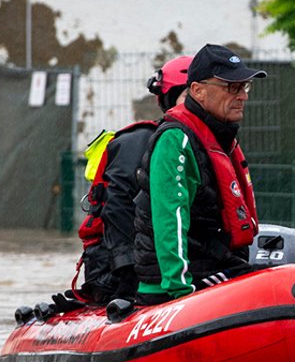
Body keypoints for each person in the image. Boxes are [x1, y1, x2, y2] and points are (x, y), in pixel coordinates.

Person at [134, 44, 265, 303]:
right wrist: (181, 290)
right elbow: (170, 219)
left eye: (244, 87)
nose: (243, 96)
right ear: (197, 91)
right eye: (232, 87)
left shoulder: (221, 139)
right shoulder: (175, 140)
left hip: (214, 266)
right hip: (178, 284)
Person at [74, 54, 192, 303]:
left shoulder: (210, 146)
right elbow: (119, 211)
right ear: (170, 100)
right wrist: (129, 275)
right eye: (188, 97)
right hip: (122, 275)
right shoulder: (139, 142)